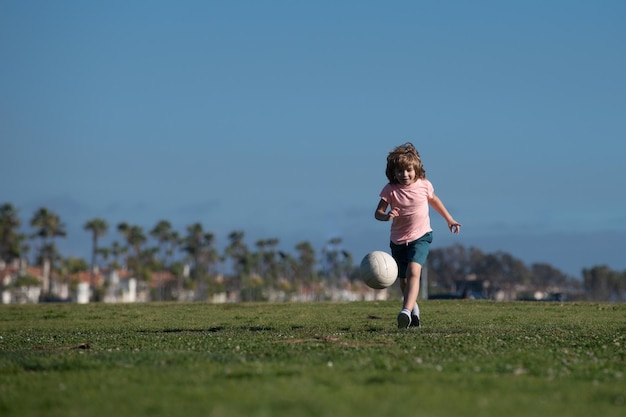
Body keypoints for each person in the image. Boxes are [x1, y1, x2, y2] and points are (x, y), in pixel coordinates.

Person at [374, 142, 461, 328]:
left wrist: (449, 219)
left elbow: (434, 201)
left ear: (416, 169)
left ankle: (404, 311)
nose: (404, 175)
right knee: (404, 281)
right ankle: (413, 310)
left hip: (421, 237)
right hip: (397, 240)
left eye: (408, 170)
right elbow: (377, 213)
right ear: (393, 172)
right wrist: (387, 216)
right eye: (400, 171)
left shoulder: (424, 185)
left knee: (414, 272)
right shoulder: (390, 190)